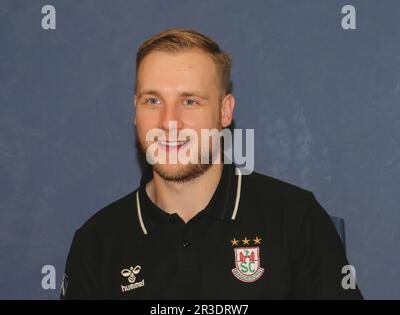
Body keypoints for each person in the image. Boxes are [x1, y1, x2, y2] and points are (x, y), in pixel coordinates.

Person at [61, 28, 363, 299]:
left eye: (190, 101)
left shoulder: (295, 219)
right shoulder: (97, 242)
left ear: (224, 112)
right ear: (135, 110)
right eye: (152, 100)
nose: (168, 122)